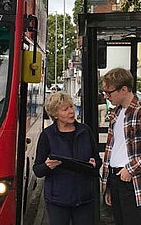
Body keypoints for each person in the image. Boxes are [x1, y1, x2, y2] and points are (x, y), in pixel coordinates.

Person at [100, 68, 141, 225]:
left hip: (131, 180)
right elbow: (114, 149)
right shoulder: (116, 112)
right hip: (115, 177)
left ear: (124, 89)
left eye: (109, 92)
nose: (105, 96)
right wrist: (109, 185)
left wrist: (131, 169)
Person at [33, 92, 102, 225]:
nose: (72, 111)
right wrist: (47, 166)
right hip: (57, 201)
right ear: (55, 115)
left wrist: (94, 164)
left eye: (72, 106)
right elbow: (37, 170)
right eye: (65, 109)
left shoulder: (85, 131)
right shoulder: (47, 135)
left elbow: (98, 160)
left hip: (84, 199)